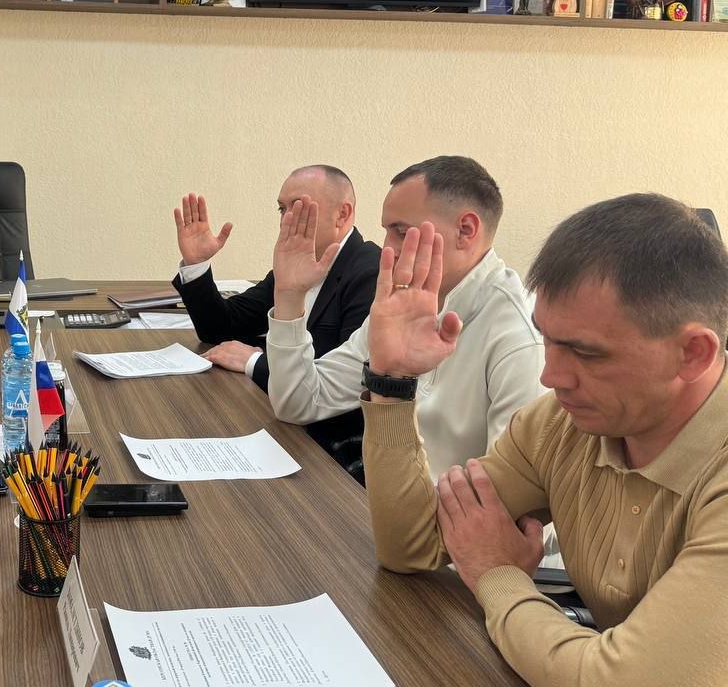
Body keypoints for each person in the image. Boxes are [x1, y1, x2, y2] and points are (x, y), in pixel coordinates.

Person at [359, 194, 728, 686]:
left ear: (693, 354)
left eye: (585, 353)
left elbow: (620, 680)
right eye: (547, 339)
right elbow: (410, 546)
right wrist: (392, 384)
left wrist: (497, 575)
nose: (550, 376)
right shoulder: (559, 425)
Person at [266, 156, 544, 480]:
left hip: (424, 510)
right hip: (385, 499)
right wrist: (289, 296)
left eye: (401, 232)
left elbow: (505, 501)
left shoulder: (520, 338)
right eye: (387, 232)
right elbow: (298, 401)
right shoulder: (402, 300)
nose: (387, 248)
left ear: (465, 230)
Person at [172, 165, 380, 389]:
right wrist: (197, 264)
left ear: (342, 214)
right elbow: (219, 328)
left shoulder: (371, 272)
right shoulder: (294, 265)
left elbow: (344, 378)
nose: (285, 220)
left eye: (298, 208)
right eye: (282, 209)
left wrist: (254, 361)